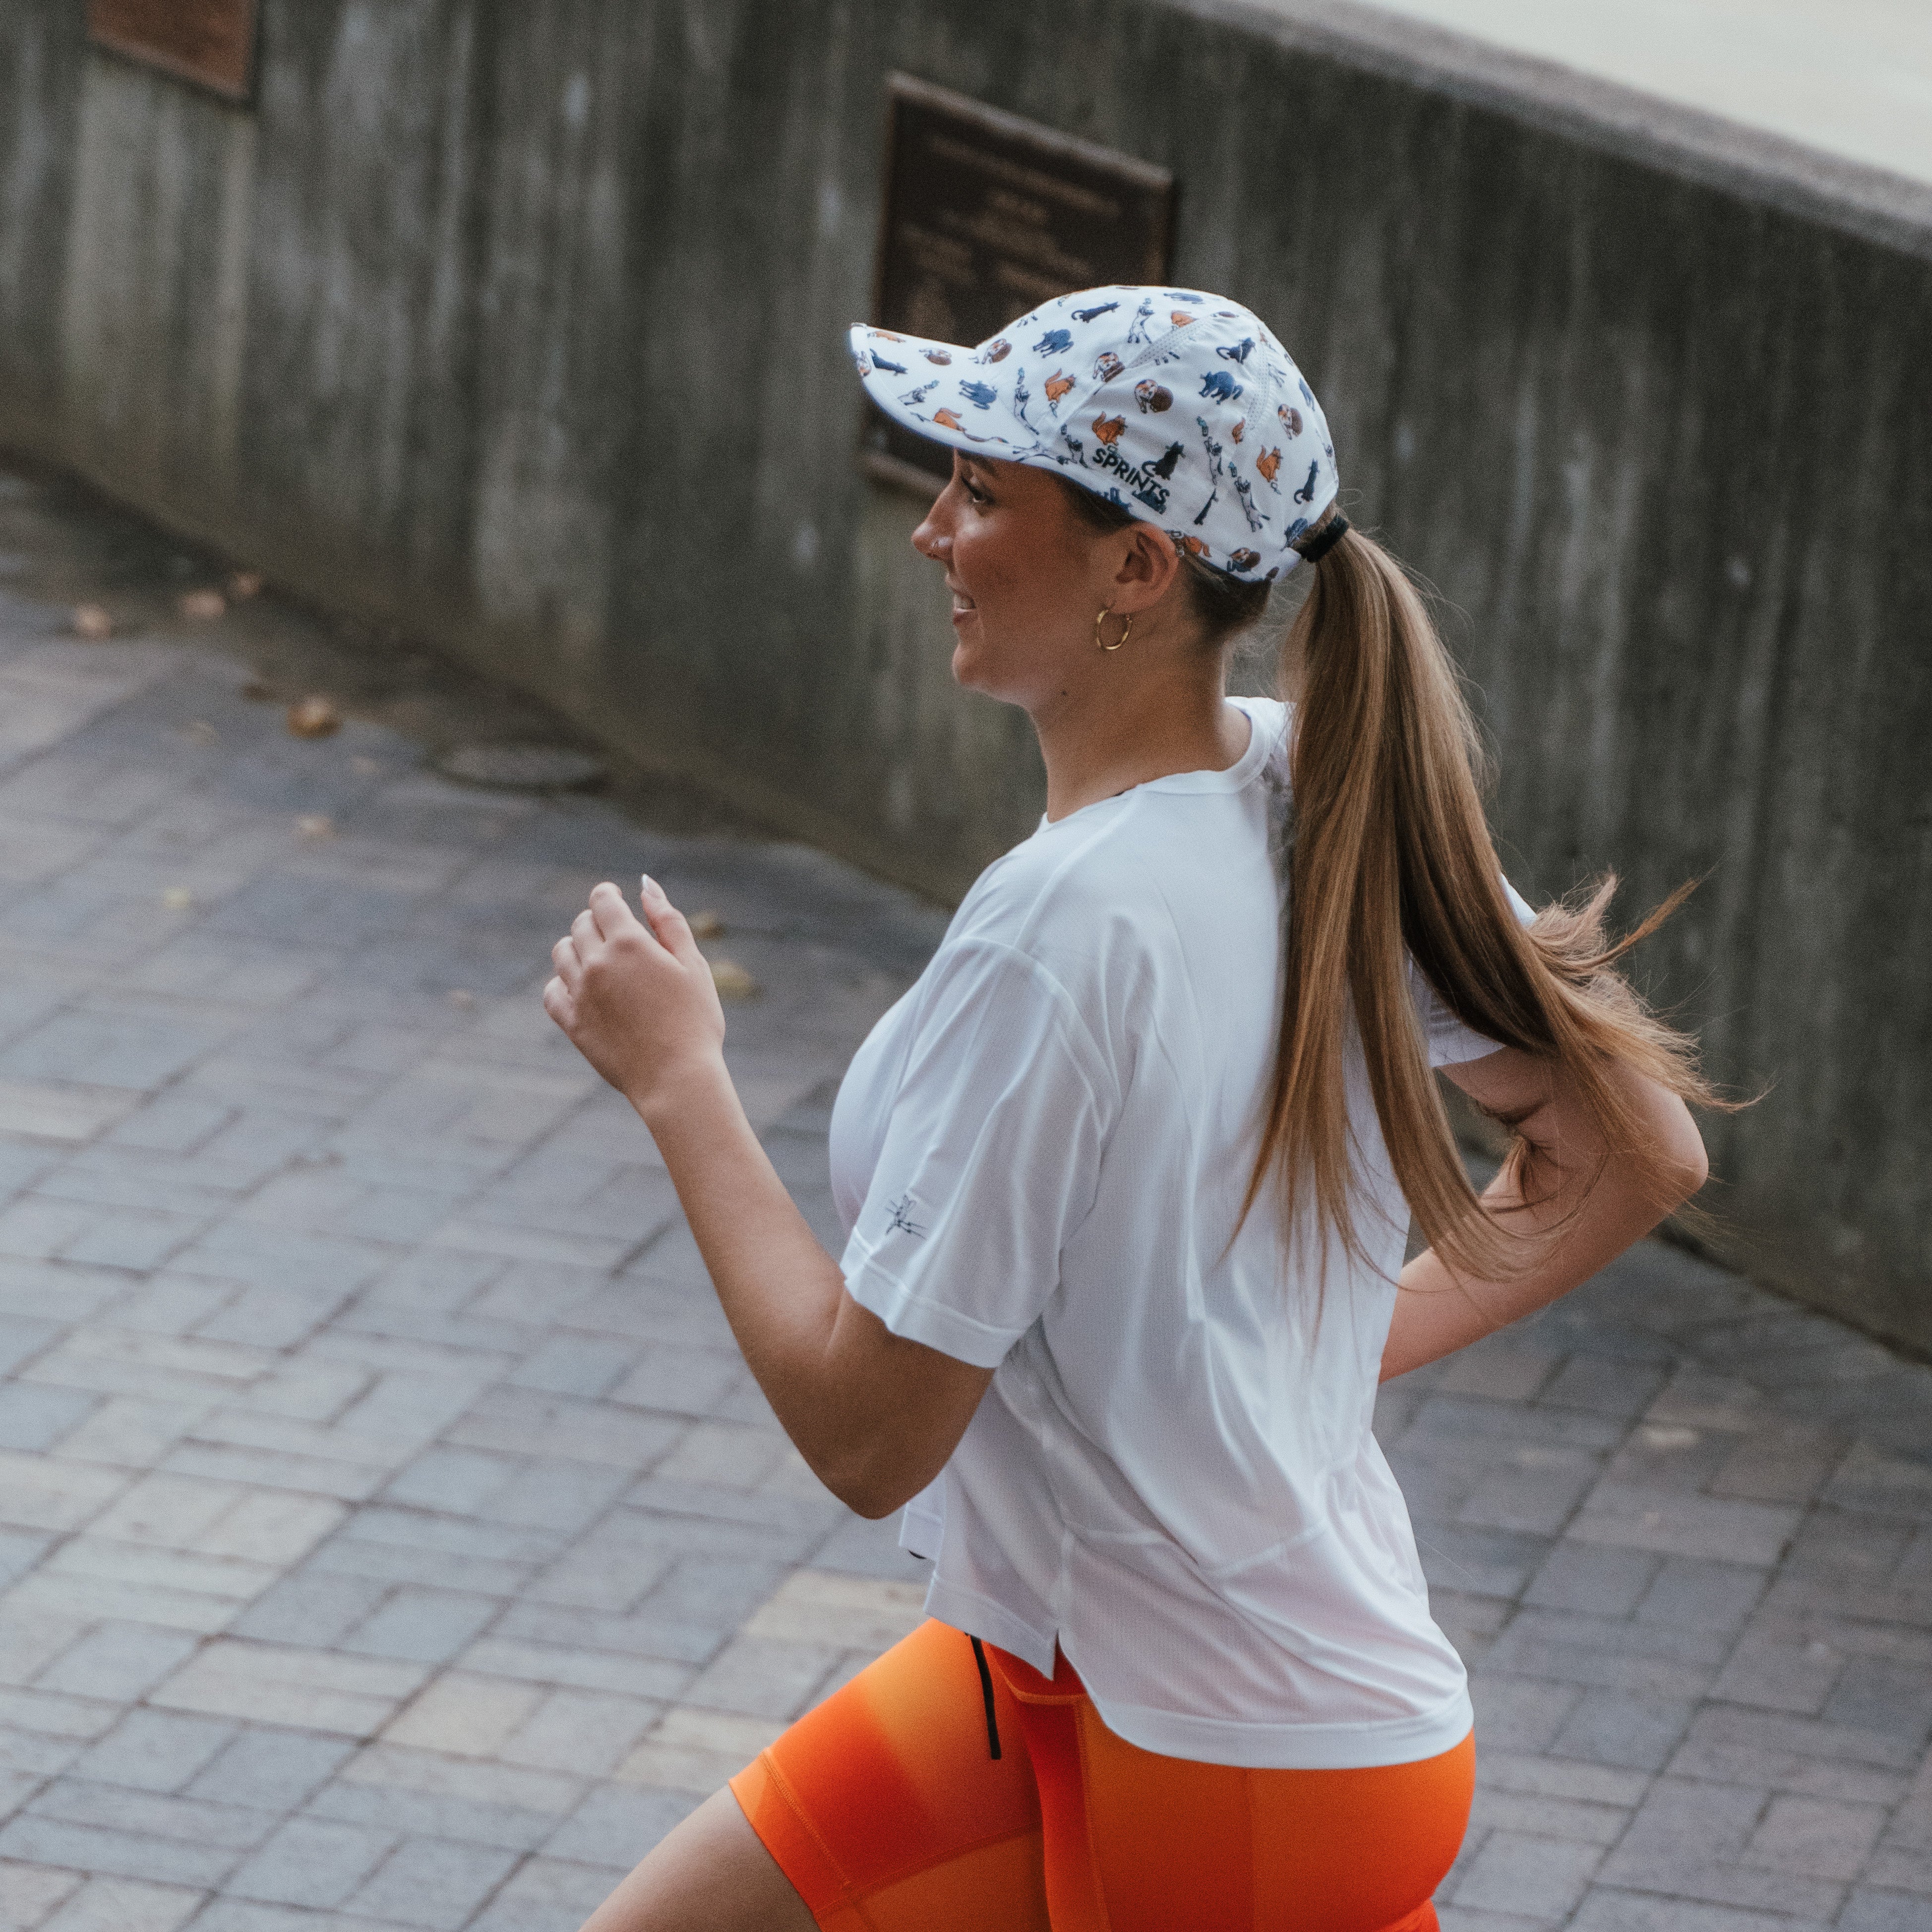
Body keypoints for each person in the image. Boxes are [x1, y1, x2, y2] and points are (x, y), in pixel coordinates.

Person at [545, 287, 1716, 1932]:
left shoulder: (1072, 926)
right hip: (1083, 1676)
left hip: (1231, 1774)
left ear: (1138, 568)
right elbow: (1633, 1145)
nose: (932, 532)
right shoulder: (1307, 781)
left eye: (981, 493)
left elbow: (871, 1436)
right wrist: (1278, 1364)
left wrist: (681, 1084)